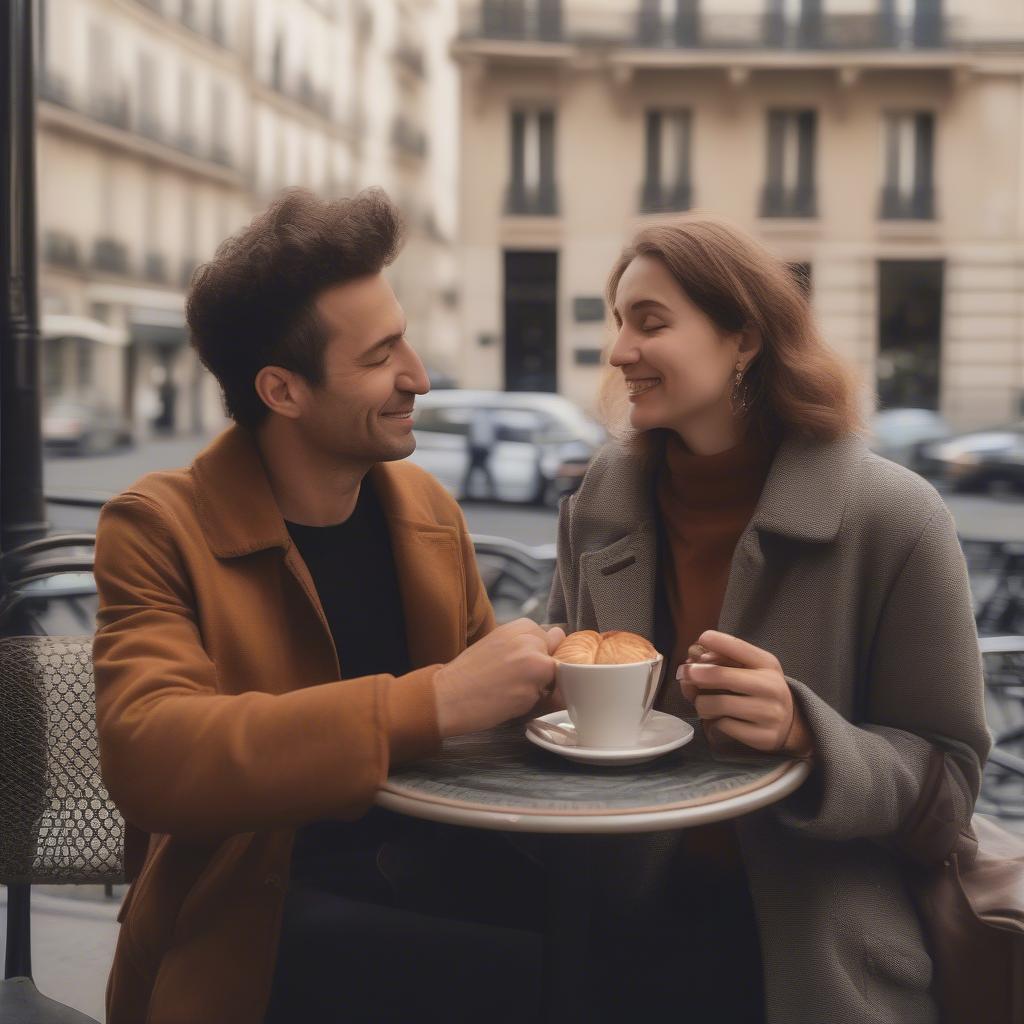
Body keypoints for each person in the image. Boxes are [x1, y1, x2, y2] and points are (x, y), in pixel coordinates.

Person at [93, 188, 563, 1024]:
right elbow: (150, 755)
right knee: (538, 976)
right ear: (282, 390)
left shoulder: (425, 509)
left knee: (631, 939)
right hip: (255, 922)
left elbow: (486, 734)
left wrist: (549, 696)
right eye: (383, 356)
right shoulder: (158, 527)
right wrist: (436, 700)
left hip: (432, 876)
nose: (418, 376)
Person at [547, 213, 991, 1023]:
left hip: (807, 959)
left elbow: (948, 787)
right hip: (611, 936)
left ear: (743, 338)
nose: (619, 352)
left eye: (652, 323)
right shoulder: (598, 508)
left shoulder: (895, 517)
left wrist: (805, 734)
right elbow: (564, 716)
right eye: (619, 323)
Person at [463, 406, 498, 500]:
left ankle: (466, 491)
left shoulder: (476, 418)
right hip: (481, 448)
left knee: (473, 471)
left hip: (478, 447)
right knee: (484, 471)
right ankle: (492, 492)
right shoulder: (491, 419)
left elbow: (470, 434)